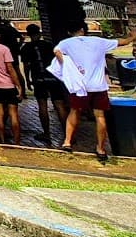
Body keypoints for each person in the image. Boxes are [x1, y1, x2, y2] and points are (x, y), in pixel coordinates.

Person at [54, 24, 117, 161]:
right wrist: (133, 36)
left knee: (74, 111)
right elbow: (122, 42)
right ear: (83, 30)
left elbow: (56, 51)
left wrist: (67, 65)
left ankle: (67, 142)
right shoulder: (99, 41)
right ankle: (100, 148)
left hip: (80, 85)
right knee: (100, 116)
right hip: (98, 86)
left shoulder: (66, 43)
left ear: (70, 32)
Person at [20, 24, 69, 145]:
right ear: (40, 33)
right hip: (53, 77)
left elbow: (26, 66)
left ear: (28, 34)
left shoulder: (26, 48)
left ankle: (46, 133)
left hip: (38, 78)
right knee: (59, 105)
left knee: (42, 105)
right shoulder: (48, 45)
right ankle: (68, 134)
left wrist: (27, 79)